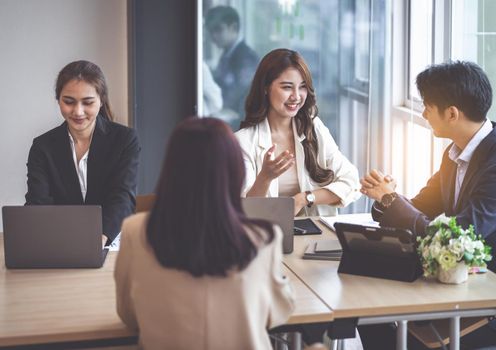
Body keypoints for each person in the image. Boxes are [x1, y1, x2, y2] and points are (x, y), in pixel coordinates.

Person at [360, 61, 496, 348]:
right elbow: (423, 207)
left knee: (399, 333)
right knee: (370, 312)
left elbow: (455, 238)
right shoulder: (455, 152)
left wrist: (391, 199)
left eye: (427, 106)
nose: (423, 113)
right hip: (462, 285)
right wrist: (383, 199)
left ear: (452, 113)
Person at [114, 117, 294, 350]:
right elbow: (278, 313)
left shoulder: (134, 231)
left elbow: (128, 315)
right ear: (234, 170)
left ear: (171, 169)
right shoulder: (263, 238)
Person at [25, 60, 140, 244]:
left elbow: (122, 199)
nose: (78, 112)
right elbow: (38, 203)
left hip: (109, 240)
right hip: (59, 242)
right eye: (69, 102)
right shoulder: (42, 147)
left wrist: (96, 242)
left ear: (101, 100)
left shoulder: (124, 140)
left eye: (87, 102)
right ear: (58, 100)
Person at [236, 48, 361, 216]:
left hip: (314, 234)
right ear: (265, 88)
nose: (296, 96)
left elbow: (351, 182)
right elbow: (245, 209)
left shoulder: (313, 127)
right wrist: (265, 177)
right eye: (287, 87)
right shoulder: (242, 142)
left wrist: (304, 199)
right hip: (266, 236)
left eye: (302, 87)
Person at [205, 5, 259, 128]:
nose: (213, 36)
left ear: (233, 27)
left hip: (240, 123)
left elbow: (239, 92)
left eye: (218, 30)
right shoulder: (227, 55)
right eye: (211, 31)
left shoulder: (246, 57)